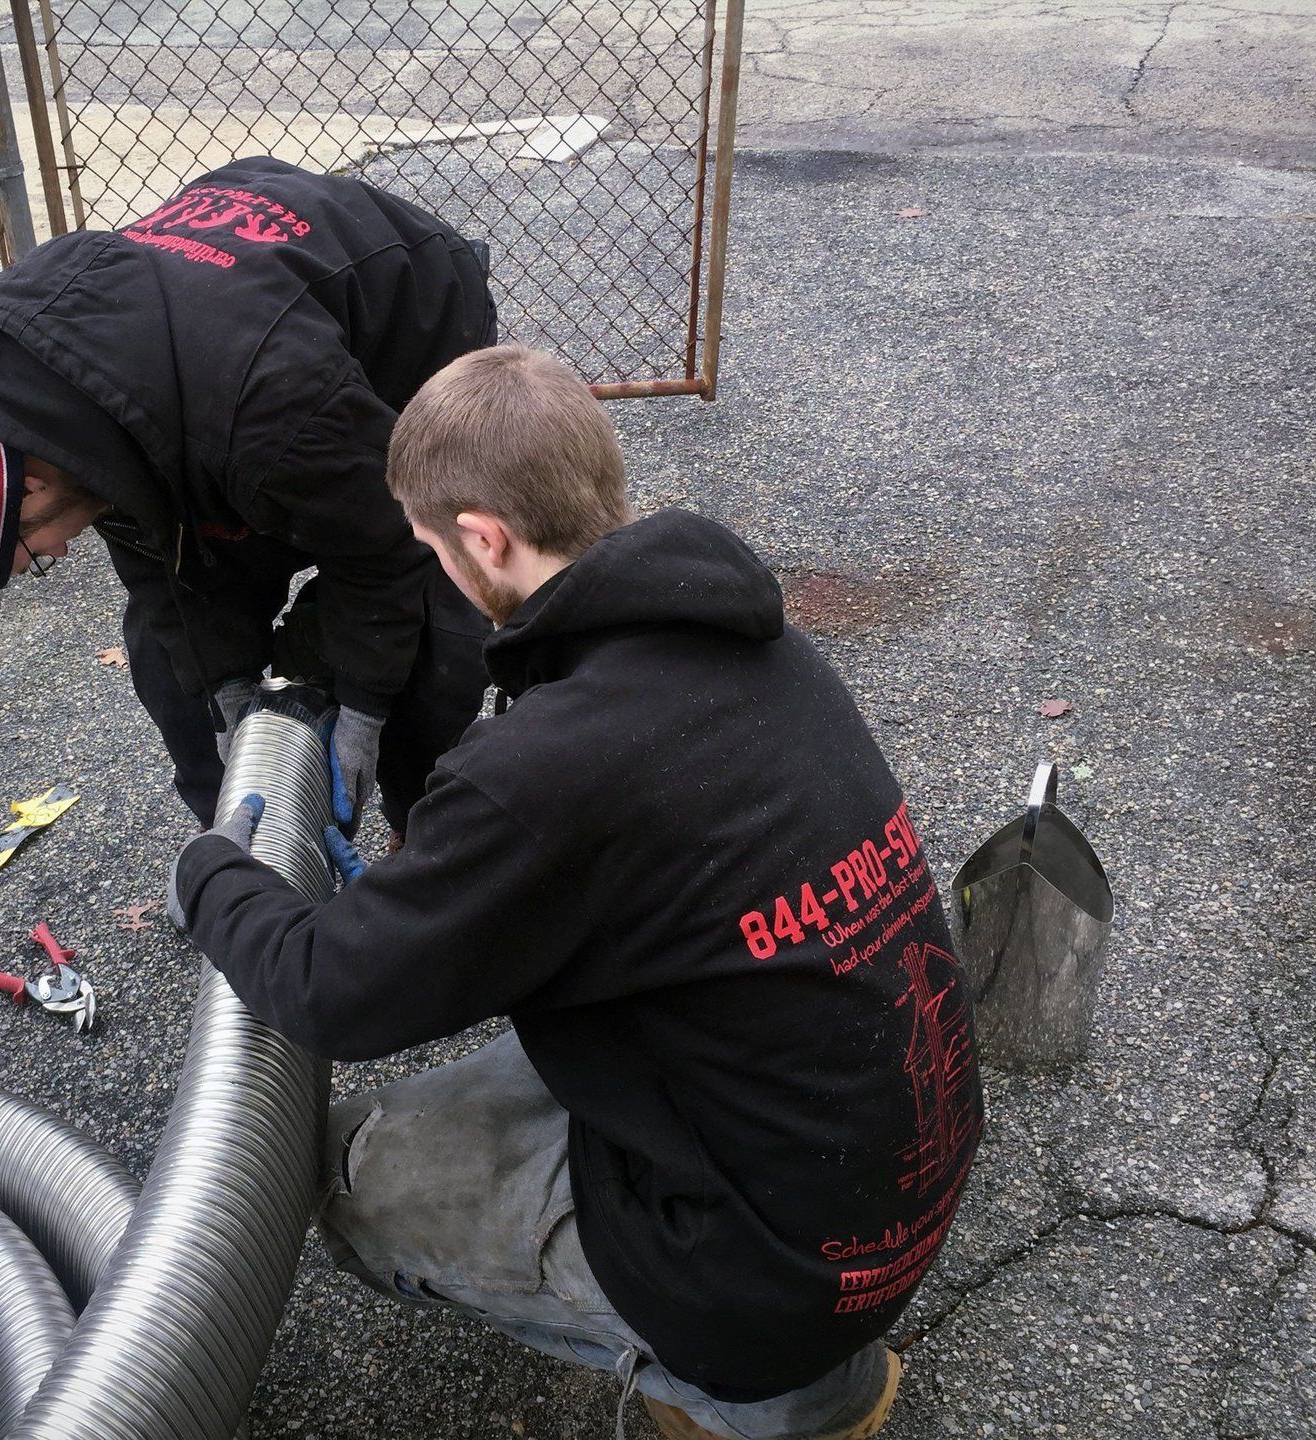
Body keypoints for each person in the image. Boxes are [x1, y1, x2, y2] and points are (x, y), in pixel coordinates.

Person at [168, 347, 984, 1440]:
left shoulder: (549, 773)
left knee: (358, 1190)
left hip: (772, 1277)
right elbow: (629, 866)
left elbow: (327, 991)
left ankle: (760, 1399)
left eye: (430, 549)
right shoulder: (760, 649)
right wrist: (437, 887)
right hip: (880, 1178)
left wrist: (214, 868)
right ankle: (783, 1362)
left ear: (484, 538)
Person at [0, 157, 496, 830]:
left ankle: (427, 843)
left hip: (413, 315)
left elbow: (394, 548)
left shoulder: (270, 417)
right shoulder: (39, 413)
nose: (54, 556)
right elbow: (162, 552)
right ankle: (246, 865)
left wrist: (363, 710)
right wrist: (229, 691)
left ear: (31, 485)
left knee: (432, 614)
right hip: (251, 368)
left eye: (31, 552)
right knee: (172, 656)